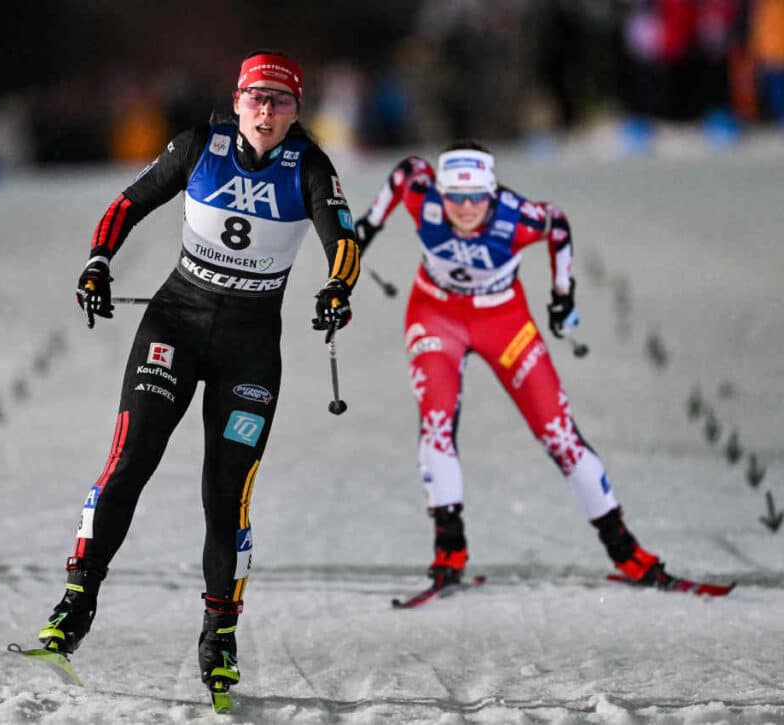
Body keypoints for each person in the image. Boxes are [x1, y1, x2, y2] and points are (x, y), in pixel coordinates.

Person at [35, 50, 360, 704]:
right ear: (237, 101)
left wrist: (336, 288)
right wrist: (98, 262)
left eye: (282, 101)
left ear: (297, 111)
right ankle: (77, 598)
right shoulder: (199, 146)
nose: (267, 111)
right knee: (130, 460)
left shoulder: (309, 166)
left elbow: (343, 241)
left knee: (226, 494)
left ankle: (219, 633)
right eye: (257, 99)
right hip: (174, 328)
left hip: (250, 350)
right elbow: (127, 204)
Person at [353, 142, 668, 592]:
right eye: (454, 197)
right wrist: (366, 227)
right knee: (436, 422)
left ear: (493, 193)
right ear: (441, 193)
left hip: (503, 321)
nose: (465, 208)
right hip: (435, 314)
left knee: (558, 433)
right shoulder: (424, 197)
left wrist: (563, 295)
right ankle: (449, 548)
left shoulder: (517, 217)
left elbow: (557, 224)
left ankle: (623, 548)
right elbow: (406, 171)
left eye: (476, 197)